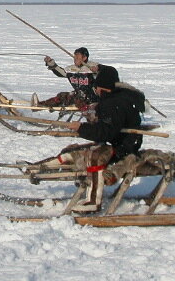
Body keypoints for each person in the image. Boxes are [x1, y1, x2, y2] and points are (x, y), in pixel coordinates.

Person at [56, 64, 144, 212]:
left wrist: (81, 128)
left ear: (102, 86)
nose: (95, 90)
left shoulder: (112, 104)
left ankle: (93, 201)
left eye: (96, 86)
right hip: (122, 141)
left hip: (123, 147)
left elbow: (106, 132)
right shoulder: (119, 97)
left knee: (95, 156)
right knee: (76, 150)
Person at [33, 47, 98, 109]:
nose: (75, 58)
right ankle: (40, 105)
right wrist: (51, 63)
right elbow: (61, 73)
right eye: (74, 56)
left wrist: (97, 71)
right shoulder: (71, 69)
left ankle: (89, 114)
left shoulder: (94, 67)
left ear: (84, 58)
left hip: (92, 99)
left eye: (77, 56)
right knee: (62, 96)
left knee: (78, 99)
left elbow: (106, 73)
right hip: (78, 95)